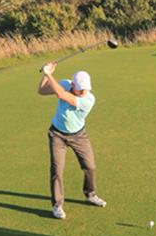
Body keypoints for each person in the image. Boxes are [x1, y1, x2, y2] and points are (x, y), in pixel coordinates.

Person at [38, 61, 106, 219]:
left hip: (79, 136)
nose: (83, 91)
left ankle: (90, 194)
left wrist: (49, 74)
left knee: (90, 166)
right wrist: (46, 75)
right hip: (57, 135)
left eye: (85, 88)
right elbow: (41, 91)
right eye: (80, 87)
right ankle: (57, 205)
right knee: (57, 170)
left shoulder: (89, 100)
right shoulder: (64, 84)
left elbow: (62, 95)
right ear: (73, 84)